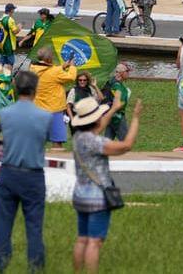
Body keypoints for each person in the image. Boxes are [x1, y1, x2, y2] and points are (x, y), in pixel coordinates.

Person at [69, 94, 143, 274]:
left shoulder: (78, 138)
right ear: (95, 120)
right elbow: (126, 145)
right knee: (94, 242)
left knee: (82, 239)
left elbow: (98, 126)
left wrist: (114, 109)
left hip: (80, 195)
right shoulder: (96, 142)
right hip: (97, 198)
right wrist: (135, 118)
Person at [0, 69, 52, 273]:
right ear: (35, 89)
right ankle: (35, 267)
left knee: (4, 223)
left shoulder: (6, 113)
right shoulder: (45, 116)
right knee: (34, 226)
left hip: (8, 172)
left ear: (16, 89)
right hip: (33, 174)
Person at [30, 47, 77, 149]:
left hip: (38, 109)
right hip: (54, 110)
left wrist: (62, 67)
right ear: (50, 59)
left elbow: (48, 71)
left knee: (37, 141)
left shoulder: (33, 68)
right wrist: (72, 67)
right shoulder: (55, 72)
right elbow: (71, 77)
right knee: (57, 142)